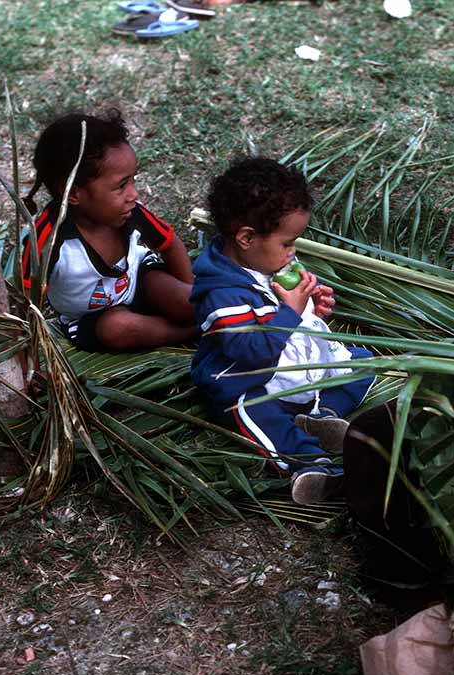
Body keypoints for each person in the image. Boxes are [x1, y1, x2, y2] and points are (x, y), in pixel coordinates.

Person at [190, 157, 374, 505]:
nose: (293, 253)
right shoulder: (221, 293)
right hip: (250, 378)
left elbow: (291, 315)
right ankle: (309, 464)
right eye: (288, 243)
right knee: (251, 410)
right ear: (247, 237)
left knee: (364, 362)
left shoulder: (267, 259)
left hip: (292, 367)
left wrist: (311, 307)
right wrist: (290, 310)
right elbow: (253, 352)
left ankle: (322, 413)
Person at [22, 109, 198, 352]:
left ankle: (199, 317)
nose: (134, 194)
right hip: (91, 318)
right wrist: (27, 364)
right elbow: (27, 305)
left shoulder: (131, 212)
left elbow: (170, 244)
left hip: (141, 280)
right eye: (121, 185)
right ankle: (192, 331)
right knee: (117, 328)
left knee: (187, 301)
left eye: (133, 180)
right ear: (73, 193)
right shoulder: (47, 240)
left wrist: (188, 297)